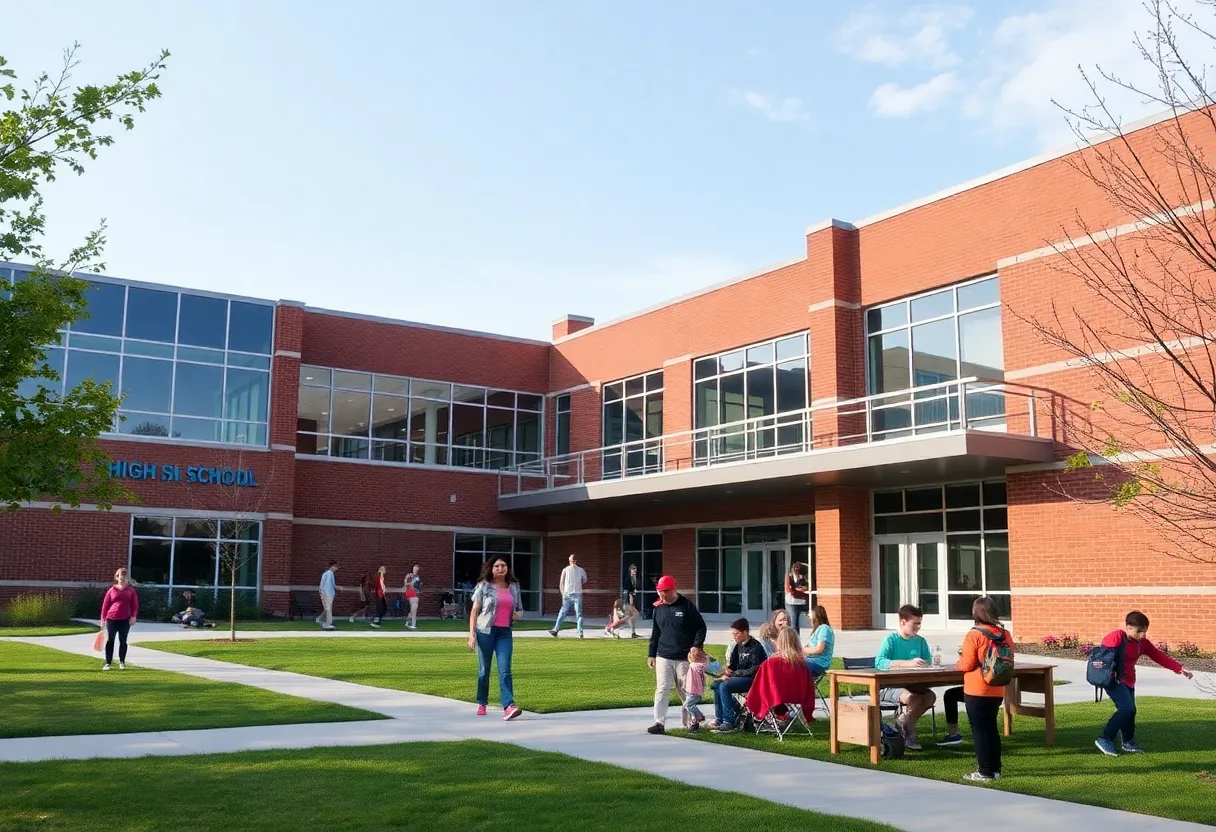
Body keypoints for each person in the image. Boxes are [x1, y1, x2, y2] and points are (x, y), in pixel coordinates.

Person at [1095, 610, 1194, 756]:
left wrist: (1179, 669)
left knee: (1131, 710)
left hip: (1129, 680)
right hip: (1112, 680)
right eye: (1139, 631)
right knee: (1126, 708)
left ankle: (1128, 742)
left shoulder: (1142, 643)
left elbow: (1159, 656)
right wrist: (1111, 675)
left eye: (1145, 632)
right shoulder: (1116, 637)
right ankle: (1105, 739)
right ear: (1128, 627)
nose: (1142, 635)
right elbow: (1103, 658)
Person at [950, 596, 1016, 782]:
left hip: (977, 689)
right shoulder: (1005, 634)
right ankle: (995, 769)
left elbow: (967, 664)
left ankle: (984, 771)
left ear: (976, 613)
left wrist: (958, 661)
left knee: (979, 731)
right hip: (997, 688)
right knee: (991, 728)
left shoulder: (974, 634)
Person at [646, 575, 706, 735]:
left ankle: (689, 722)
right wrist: (651, 654)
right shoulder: (658, 608)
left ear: (673, 589)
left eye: (665, 591)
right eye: (660, 592)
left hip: (683, 657)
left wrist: (696, 646)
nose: (662, 595)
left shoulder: (686, 606)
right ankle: (659, 722)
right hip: (663, 656)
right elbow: (655, 633)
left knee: (686, 691)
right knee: (662, 689)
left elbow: (701, 627)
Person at [467, 557, 524, 721]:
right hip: (484, 631)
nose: (501, 568)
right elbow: (474, 612)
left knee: (505, 669)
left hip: (505, 633)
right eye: (497, 566)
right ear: (491, 569)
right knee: (484, 670)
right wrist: (471, 635)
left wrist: (518, 614)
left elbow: (520, 609)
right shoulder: (483, 586)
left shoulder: (514, 587)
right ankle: (482, 702)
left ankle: (508, 706)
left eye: (503, 565)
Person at [875, 604, 935, 751]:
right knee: (913, 698)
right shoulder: (891, 640)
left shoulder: (920, 641)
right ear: (902, 622)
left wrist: (926, 665)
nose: (918, 627)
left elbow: (928, 661)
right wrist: (908, 663)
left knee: (930, 697)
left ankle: (901, 722)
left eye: (919, 623)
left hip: (914, 684)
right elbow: (879, 662)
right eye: (915, 624)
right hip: (890, 686)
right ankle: (909, 734)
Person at [745, 628, 818, 723]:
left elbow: (760, 685)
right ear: (796, 642)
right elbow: (809, 686)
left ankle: (765, 718)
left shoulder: (770, 663)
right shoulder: (801, 664)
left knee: (760, 691)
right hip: (799, 696)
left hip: (777, 697)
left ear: (779, 642)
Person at [707, 618, 767, 733]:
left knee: (724, 686)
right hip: (738, 677)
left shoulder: (756, 647)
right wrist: (728, 671)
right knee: (717, 684)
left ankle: (729, 721)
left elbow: (755, 669)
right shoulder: (738, 645)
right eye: (733, 634)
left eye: (737, 634)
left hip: (751, 680)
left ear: (745, 632)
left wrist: (735, 673)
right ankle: (719, 719)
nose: (734, 636)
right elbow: (733, 664)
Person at [100, 567, 138, 671]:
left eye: (124, 576)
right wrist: (103, 619)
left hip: (125, 619)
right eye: (120, 576)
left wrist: (133, 616)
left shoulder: (131, 590)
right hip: (112, 618)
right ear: (117, 577)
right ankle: (108, 662)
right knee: (110, 640)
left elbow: (134, 605)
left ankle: (122, 662)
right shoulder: (112, 590)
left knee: (123, 640)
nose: (122, 578)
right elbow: (105, 605)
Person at [549, 554, 588, 639]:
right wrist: (563, 593)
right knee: (562, 612)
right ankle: (556, 629)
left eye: (573, 561)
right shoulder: (565, 570)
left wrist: (578, 584)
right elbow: (561, 583)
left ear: (576, 561)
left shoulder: (581, 570)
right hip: (568, 595)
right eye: (570, 561)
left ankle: (580, 631)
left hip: (577, 594)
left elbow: (584, 580)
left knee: (579, 613)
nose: (572, 562)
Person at [682, 646, 712, 731]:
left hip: (694, 691)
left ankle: (699, 716)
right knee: (690, 705)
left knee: (687, 705)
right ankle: (695, 721)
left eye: (691, 653)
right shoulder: (697, 665)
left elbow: (693, 662)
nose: (689, 654)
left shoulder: (695, 666)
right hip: (692, 691)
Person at [802, 605, 835, 680]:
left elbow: (819, 649)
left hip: (819, 663)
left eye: (811, 618)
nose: (810, 620)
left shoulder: (824, 628)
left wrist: (802, 650)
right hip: (810, 660)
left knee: (794, 667)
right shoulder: (817, 630)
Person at [784, 562, 810, 631]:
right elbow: (789, 590)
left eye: (798, 567)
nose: (796, 569)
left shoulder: (802, 577)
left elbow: (806, 587)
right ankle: (793, 639)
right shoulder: (789, 577)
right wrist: (799, 590)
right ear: (792, 569)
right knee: (793, 624)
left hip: (800, 602)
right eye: (795, 567)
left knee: (797, 623)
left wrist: (799, 589)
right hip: (791, 602)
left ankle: (797, 639)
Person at [316, 561, 338, 630]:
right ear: (331, 566)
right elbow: (322, 585)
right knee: (328, 609)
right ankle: (327, 624)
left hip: (330, 595)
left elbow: (333, 585)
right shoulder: (326, 574)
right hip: (326, 594)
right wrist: (322, 594)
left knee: (327, 609)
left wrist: (337, 589)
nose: (336, 568)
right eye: (335, 566)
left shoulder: (332, 574)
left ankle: (319, 619)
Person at [404, 564, 422, 630]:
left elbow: (419, 585)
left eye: (416, 569)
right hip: (411, 592)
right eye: (415, 568)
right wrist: (409, 582)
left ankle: (408, 621)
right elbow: (406, 584)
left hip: (413, 593)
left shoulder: (417, 577)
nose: (415, 569)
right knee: (414, 609)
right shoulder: (410, 575)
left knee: (413, 609)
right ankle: (413, 625)